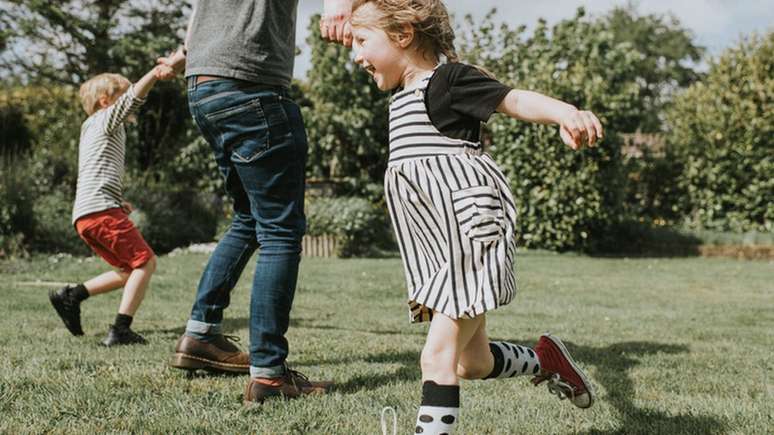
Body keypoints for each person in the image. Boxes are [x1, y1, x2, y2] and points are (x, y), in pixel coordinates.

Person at [349, 0, 603, 433]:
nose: (355, 54)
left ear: (403, 35)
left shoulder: (447, 80)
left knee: (436, 358)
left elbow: (513, 98)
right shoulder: (401, 98)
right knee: (473, 363)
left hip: (470, 237)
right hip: (440, 247)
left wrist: (565, 112)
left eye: (361, 40)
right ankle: (547, 359)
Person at [156, 0, 353, 404]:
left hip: (204, 85)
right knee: (281, 231)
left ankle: (201, 335)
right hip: (250, 83)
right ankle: (269, 375)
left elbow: (201, 16)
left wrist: (183, 56)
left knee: (248, 218)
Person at [49, 63, 172, 346]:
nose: (130, 99)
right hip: (100, 210)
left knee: (129, 270)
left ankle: (72, 295)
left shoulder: (90, 127)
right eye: (123, 93)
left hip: (86, 214)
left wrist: (117, 201)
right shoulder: (105, 118)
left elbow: (97, 170)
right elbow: (134, 99)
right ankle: (120, 330)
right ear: (106, 101)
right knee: (145, 263)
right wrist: (154, 73)